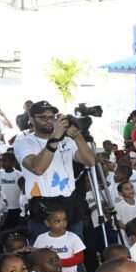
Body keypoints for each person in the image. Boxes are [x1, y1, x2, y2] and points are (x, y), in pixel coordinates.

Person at [14, 101, 95, 241]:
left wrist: (78, 136)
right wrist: (55, 137)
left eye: (52, 117)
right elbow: (37, 168)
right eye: (43, 117)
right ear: (31, 118)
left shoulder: (67, 141)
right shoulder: (24, 142)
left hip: (70, 206)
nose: (48, 120)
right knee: (43, 257)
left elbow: (90, 161)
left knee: (74, 254)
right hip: (43, 208)